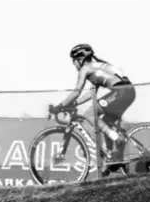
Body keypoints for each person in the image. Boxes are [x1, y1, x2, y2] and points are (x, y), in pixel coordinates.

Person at [52, 43, 138, 174]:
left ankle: (117, 139)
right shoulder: (97, 67)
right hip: (129, 92)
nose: (74, 65)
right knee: (106, 122)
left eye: (74, 62)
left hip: (120, 92)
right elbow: (91, 93)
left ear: (80, 59)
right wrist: (74, 104)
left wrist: (60, 106)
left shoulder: (85, 69)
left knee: (89, 114)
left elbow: (76, 91)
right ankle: (115, 159)